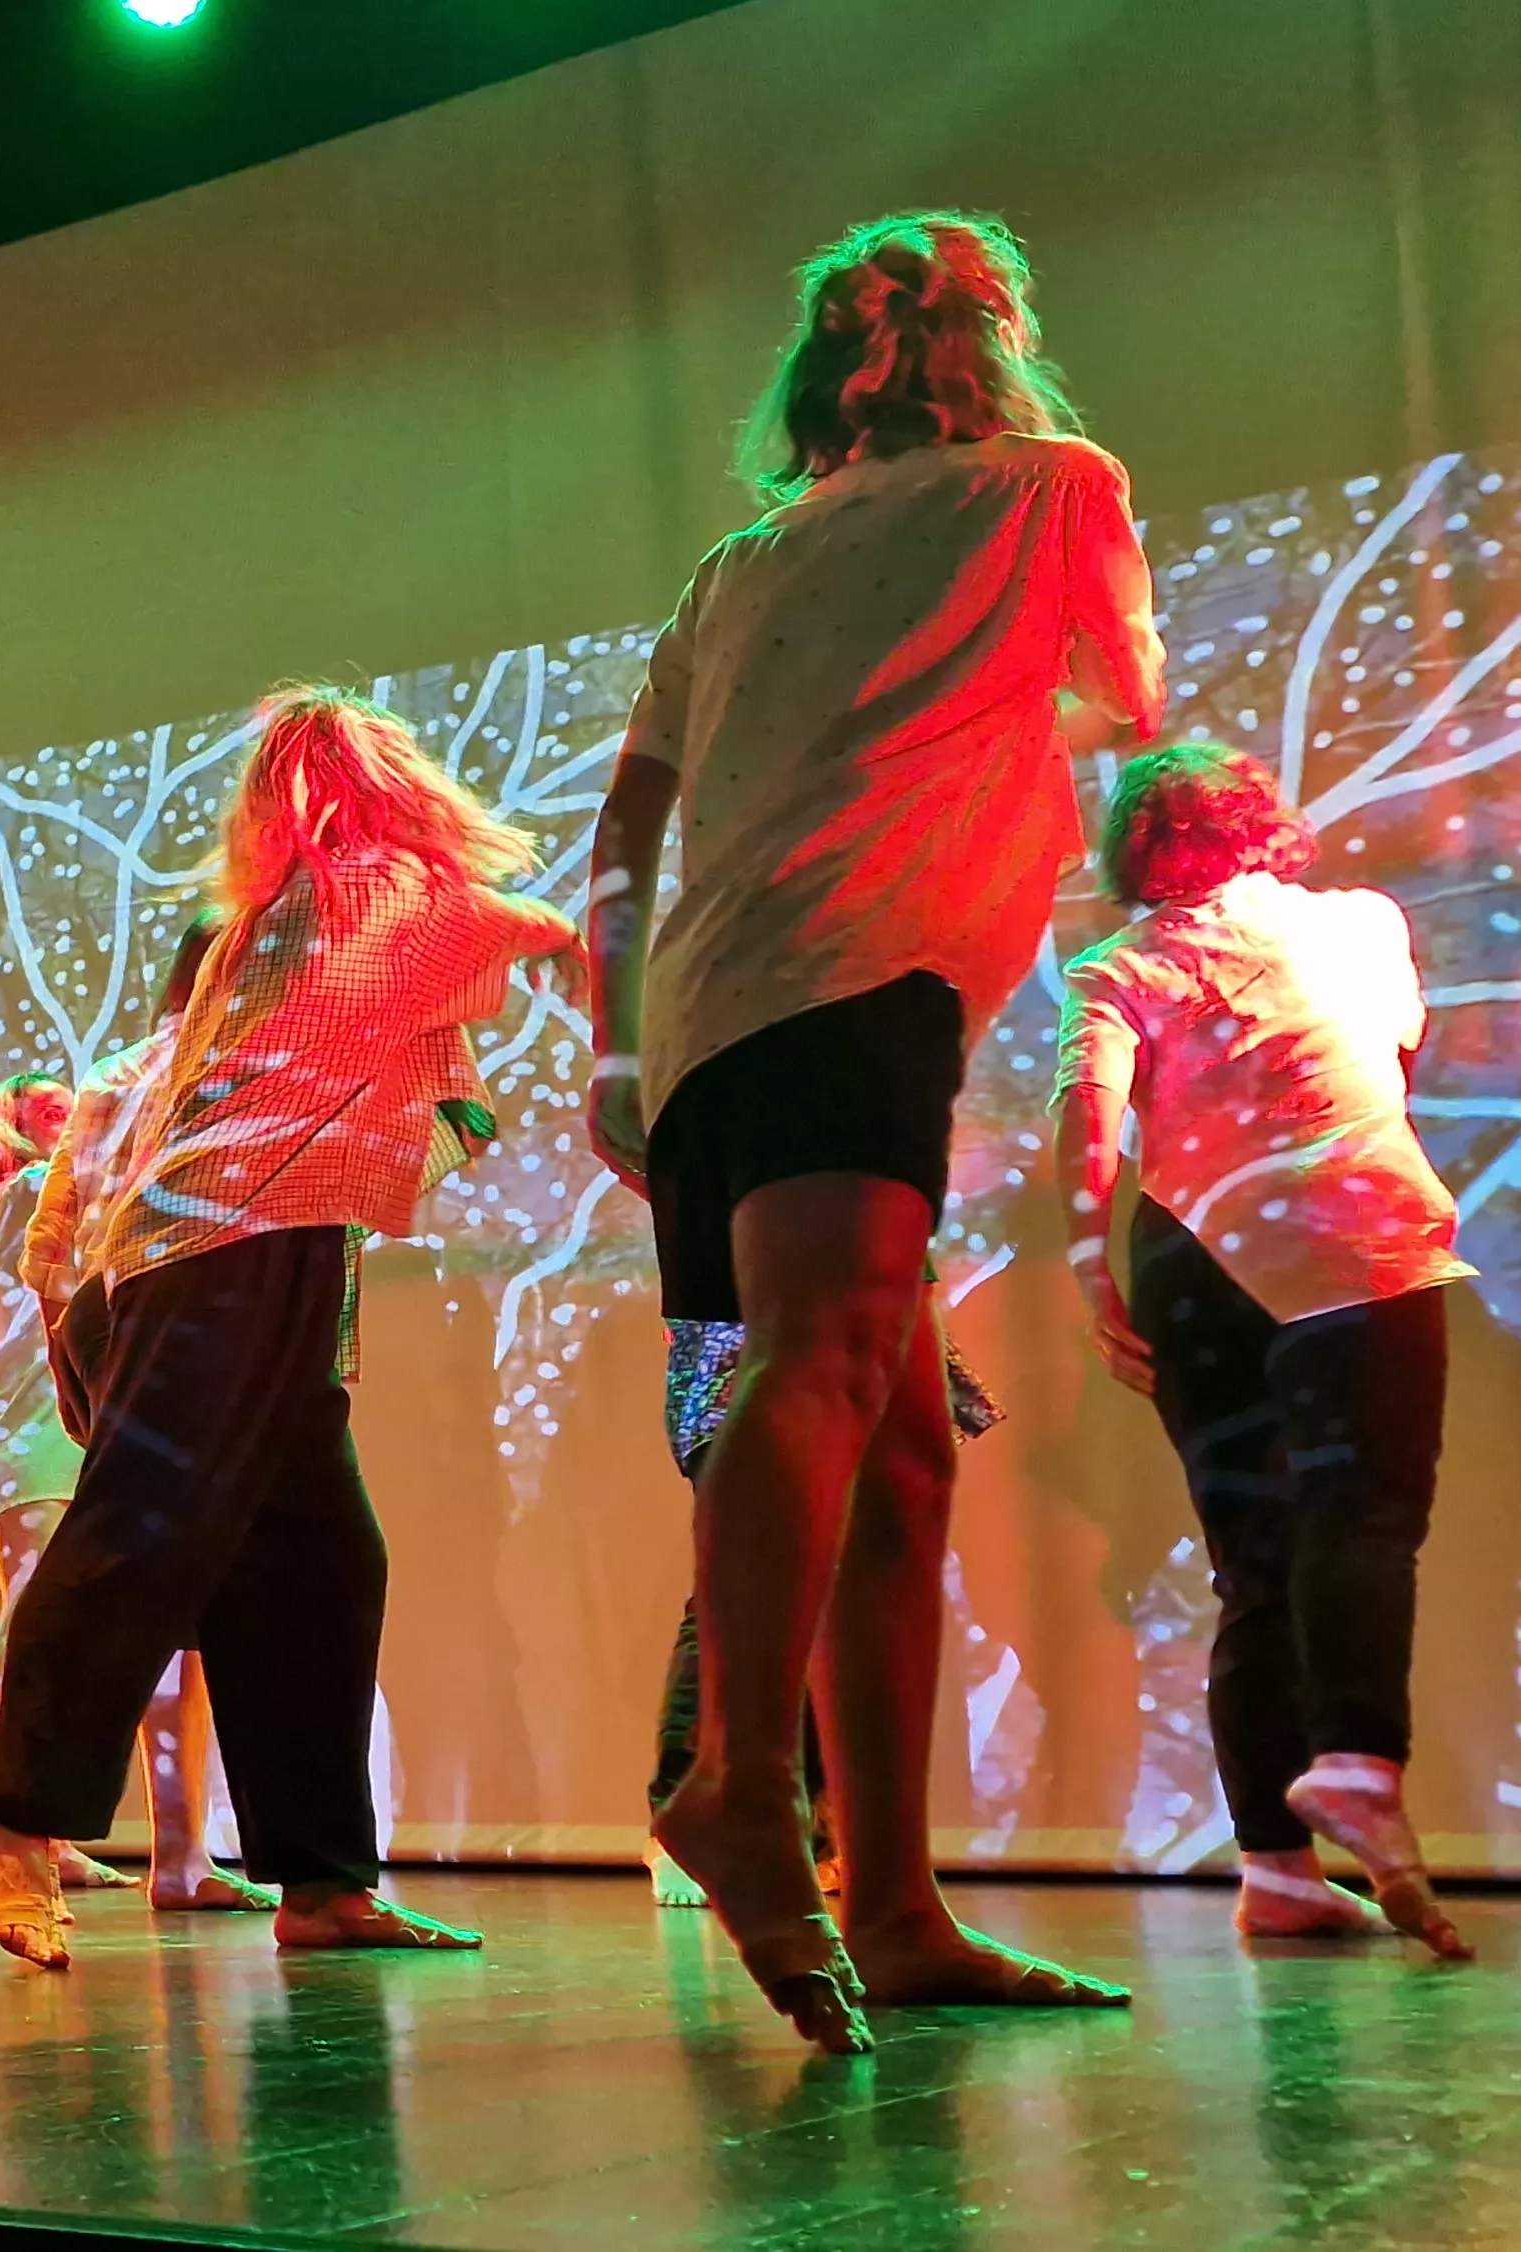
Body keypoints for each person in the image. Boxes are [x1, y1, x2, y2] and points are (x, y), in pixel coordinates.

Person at [584, 211, 1162, 2050]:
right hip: (865, 966)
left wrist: (611, 1058)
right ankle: (741, 1783)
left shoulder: (731, 564)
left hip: (707, 1013)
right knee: (831, 1366)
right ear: (994, 347)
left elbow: (622, 831)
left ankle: (897, 1905)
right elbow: (1122, 699)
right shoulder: (1051, 485)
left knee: (904, 1451)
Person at [0, 687, 568, 1968]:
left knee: (318, 1561)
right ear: (377, 787)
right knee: (144, 1523)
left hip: (234, 1258)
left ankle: (323, 1879)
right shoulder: (368, 890)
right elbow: (528, 931)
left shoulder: (283, 924)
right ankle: (13, 1821)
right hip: (221, 1253)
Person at [1051, 741, 1473, 1959]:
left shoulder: (1115, 963)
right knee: (1363, 1512)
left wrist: (1094, 1273)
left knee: (1253, 1563)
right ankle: (1353, 1758)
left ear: (1131, 854)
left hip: (1190, 1258)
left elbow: (1086, 1117)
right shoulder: (1353, 922)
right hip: (1343, 1227)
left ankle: (1277, 1872)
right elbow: (1390, 1050)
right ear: (1262, 822)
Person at [0, 1068, 269, 1913]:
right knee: (38, 1624)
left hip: (83, 1424)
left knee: (168, 1636)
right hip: (41, 1430)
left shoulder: (62, 1198)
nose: (75, 1123)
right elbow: (10, 1342)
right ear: (12, 1133)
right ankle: (14, 1831)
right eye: (53, 1113)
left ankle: (179, 1856)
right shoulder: (35, 1191)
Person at [641, 1321, 1001, 1908]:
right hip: (750, 1343)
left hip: (850, 1334)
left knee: (829, 1586)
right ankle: (687, 1823)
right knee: (742, 1584)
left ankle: (806, 1827)